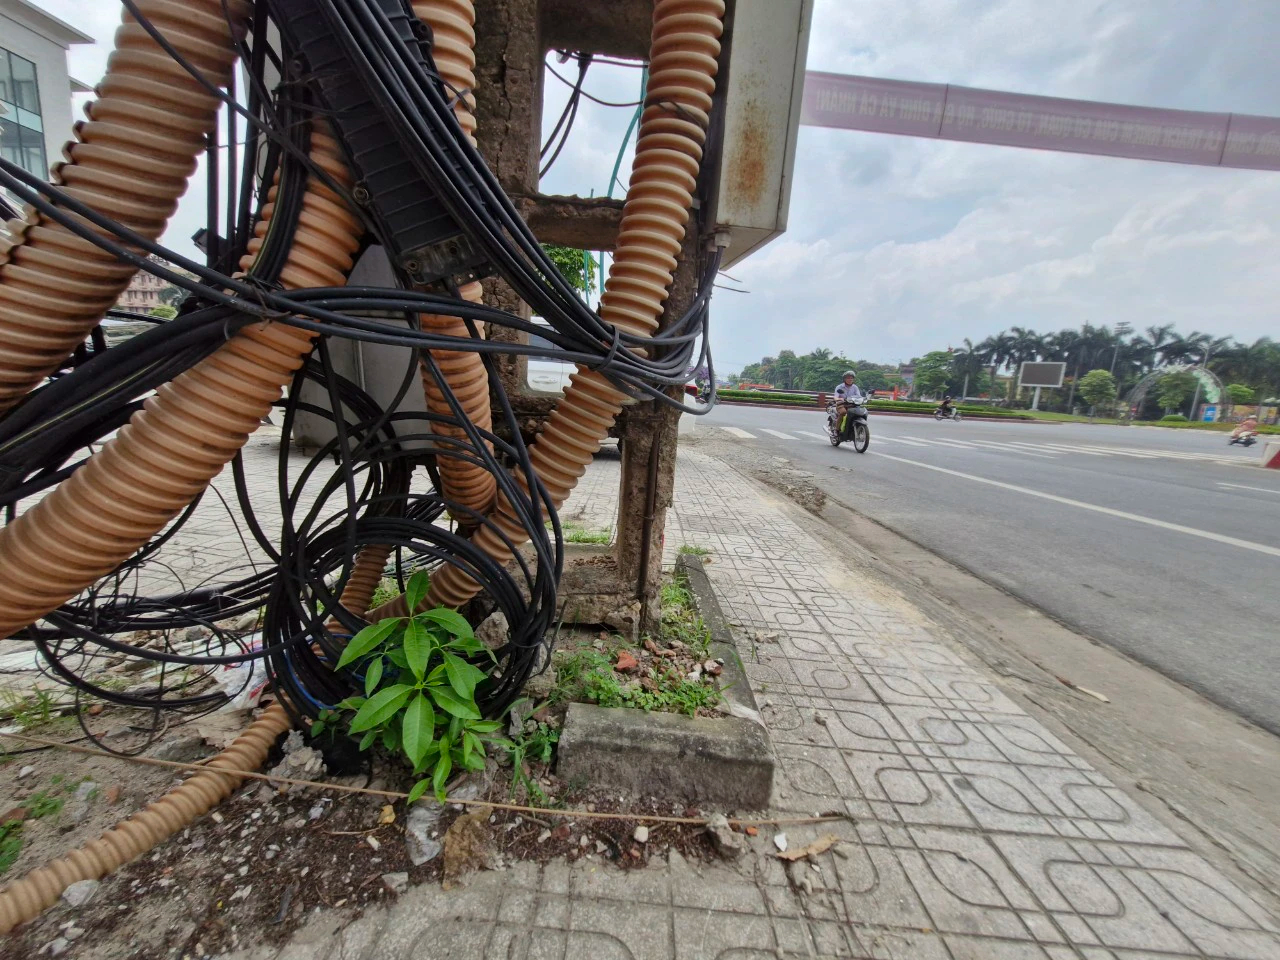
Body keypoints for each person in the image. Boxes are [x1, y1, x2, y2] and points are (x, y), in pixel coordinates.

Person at [829, 371, 865, 437]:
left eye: (851, 378)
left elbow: (858, 396)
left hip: (852, 404)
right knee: (843, 412)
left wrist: (863, 399)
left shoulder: (855, 387)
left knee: (860, 412)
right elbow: (835, 397)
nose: (850, 379)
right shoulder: (839, 387)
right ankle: (836, 430)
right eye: (848, 378)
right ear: (844, 379)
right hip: (842, 404)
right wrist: (839, 399)